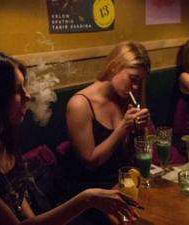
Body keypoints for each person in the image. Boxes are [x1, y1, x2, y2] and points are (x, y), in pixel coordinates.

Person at [0, 48, 137, 225]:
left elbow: (24, 210)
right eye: (16, 90)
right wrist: (87, 199)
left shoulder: (2, 140)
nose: (28, 96)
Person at [65, 41, 151, 192]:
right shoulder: (79, 104)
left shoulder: (125, 99)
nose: (136, 87)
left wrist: (141, 130)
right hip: (92, 191)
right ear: (114, 68)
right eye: (133, 78)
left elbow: (134, 155)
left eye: (140, 81)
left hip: (126, 182)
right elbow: (90, 162)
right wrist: (123, 127)